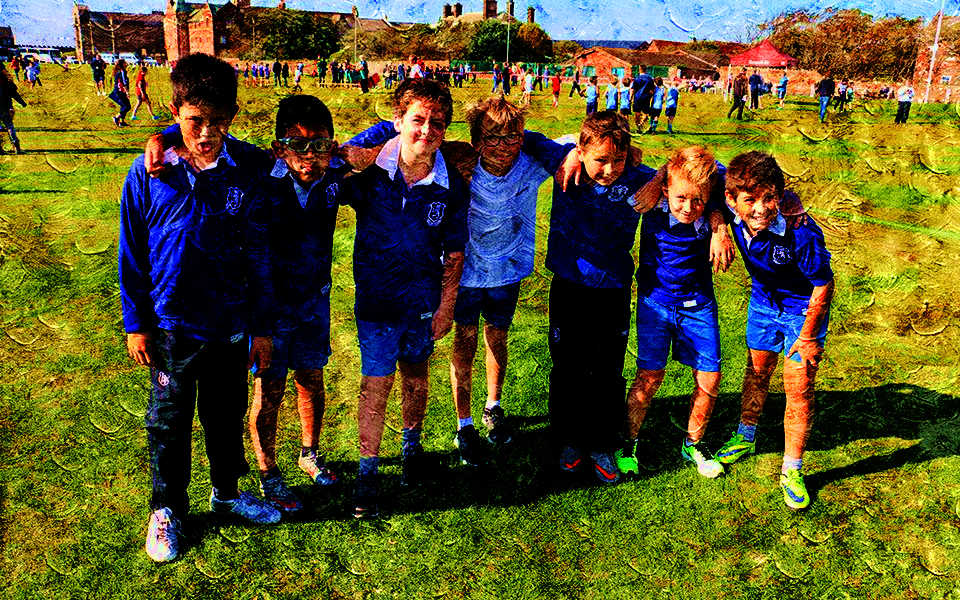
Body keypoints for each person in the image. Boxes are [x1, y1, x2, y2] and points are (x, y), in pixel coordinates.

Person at [119, 53, 282, 563]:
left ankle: (227, 493)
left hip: (231, 323)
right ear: (175, 112)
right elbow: (132, 252)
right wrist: (137, 323)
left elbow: (260, 253)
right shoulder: (148, 171)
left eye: (217, 120)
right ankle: (166, 508)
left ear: (232, 115)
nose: (207, 133)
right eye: (194, 121)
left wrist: (261, 326)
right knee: (169, 420)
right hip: (172, 325)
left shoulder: (249, 169)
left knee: (224, 414)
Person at [339, 78, 468, 519]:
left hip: (423, 303)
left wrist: (446, 307)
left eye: (438, 123)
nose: (427, 130)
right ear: (398, 120)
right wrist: (360, 149)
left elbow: (455, 253)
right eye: (417, 119)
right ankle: (367, 473)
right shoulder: (370, 172)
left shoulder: (451, 183)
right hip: (377, 303)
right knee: (376, 385)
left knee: (415, 376)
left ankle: (411, 450)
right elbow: (327, 161)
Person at [714, 151, 834, 510]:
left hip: (801, 312)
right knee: (757, 372)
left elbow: (823, 284)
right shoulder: (732, 209)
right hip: (763, 304)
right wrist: (719, 228)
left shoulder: (801, 232)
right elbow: (698, 167)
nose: (761, 209)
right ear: (731, 200)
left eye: (770, 198)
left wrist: (808, 336)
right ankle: (745, 435)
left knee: (798, 389)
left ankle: (792, 469)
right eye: (750, 200)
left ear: (780, 195)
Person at [246, 95, 347, 513]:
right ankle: (268, 471)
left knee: (311, 378)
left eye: (319, 145)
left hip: (314, 303)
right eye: (297, 144)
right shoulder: (260, 180)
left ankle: (309, 453)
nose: (308, 155)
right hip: (270, 311)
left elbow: (390, 135)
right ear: (278, 147)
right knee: (268, 390)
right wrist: (165, 136)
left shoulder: (335, 176)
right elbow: (217, 136)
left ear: (332, 146)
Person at [616, 147, 732, 478]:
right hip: (655, 304)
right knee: (649, 376)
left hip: (699, 305)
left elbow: (729, 175)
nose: (688, 208)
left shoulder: (710, 205)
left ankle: (694, 443)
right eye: (681, 198)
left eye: (698, 200)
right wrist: (658, 177)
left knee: (710, 377)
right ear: (667, 190)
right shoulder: (654, 201)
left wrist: (718, 221)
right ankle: (628, 442)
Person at [0, 62, 26, 154]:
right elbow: (14, 93)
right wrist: (22, 103)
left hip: (4, 108)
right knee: (10, 126)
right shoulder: (6, 80)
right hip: (5, 108)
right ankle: (17, 148)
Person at [109, 59, 131, 127]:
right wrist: (127, 92)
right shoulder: (122, 71)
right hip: (119, 92)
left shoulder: (121, 71)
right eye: (125, 63)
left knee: (125, 106)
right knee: (126, 107)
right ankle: (116, 117)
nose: (126, 63)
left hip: (120, 91)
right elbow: (124, 83)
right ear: (122, 64)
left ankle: (121, 122)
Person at [631, 66, 654, 132]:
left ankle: (638, 127)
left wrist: (630, 98)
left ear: (639, 70)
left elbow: (633, 89)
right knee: (646, 113)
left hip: (637, 98)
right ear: (645, 70)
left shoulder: (637, 78)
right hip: (646, 97)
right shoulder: (649, 78)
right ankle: (641, 123)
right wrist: (650, 96)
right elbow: (652, 90)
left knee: (637, 113)